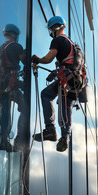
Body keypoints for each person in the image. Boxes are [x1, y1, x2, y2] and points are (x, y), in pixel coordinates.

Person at [31, 16, 79, 152]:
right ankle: (56, 132)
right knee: (52, 97)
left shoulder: (58, 40)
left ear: (55, 27)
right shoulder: (70, 42)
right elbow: (66, 61)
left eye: (51, 29)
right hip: (73, 80)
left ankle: (58, 134)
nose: (51, 32)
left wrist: (37, 59)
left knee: (62, 104)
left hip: (67, 79)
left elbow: (49, 58)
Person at [0, 24, 27, 152]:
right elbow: (25, 62)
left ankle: (3, 140)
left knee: (5, 110)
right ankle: (18, 140)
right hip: (10, 83)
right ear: (15, 35)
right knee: (24, 108)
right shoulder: (15, 47)